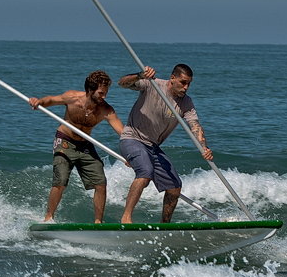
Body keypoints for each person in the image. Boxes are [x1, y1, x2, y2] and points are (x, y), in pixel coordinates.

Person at [117, 63, 213, 223]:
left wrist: (204, 147)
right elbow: (122, 83)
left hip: (153, 146)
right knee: (145, 172)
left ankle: (164, 225)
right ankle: (126, 218)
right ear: (172, 78)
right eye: (183, 82)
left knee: (174, 187)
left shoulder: (186, 102)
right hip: (132, 138)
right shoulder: (152, 84)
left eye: (189, 83)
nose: (186, 87)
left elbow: (195, 126)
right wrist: (140, 75)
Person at [28, 70, 123, 223]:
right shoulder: (72, 98)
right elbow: (50, 100)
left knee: (100, 183)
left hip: (85, 145)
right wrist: (38, 102)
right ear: (90, 90)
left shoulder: (105, 109)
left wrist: (132, 151)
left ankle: (98, 222)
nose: (104, 96)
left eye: (106, 93)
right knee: (61, 180)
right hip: (64, 142)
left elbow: (122, 131)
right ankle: (48, 218)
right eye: (100, 93)